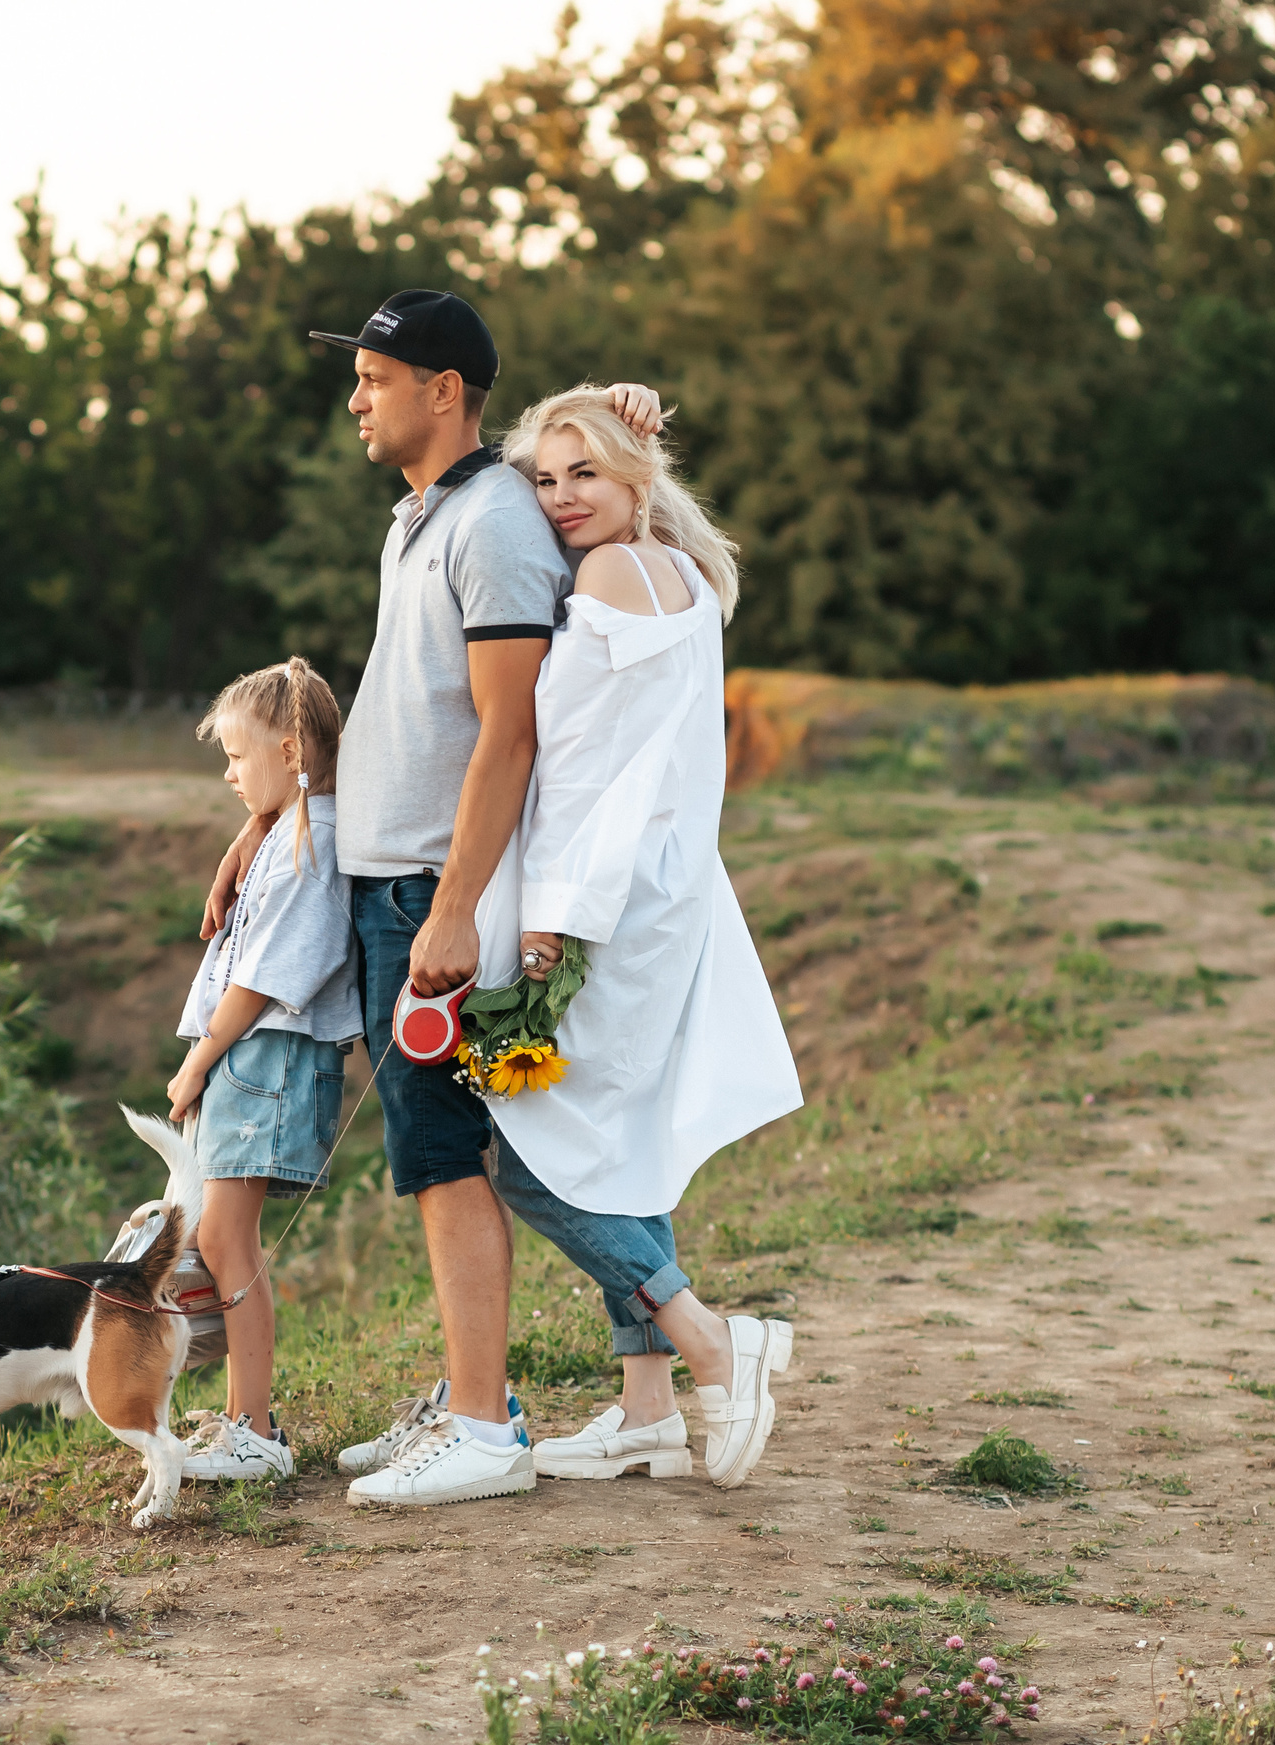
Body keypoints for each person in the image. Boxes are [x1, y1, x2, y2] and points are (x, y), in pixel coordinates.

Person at [200, 290, 661, 1507]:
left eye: (373, 376)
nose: (355, 397)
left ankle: (486, 1430)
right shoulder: (427, 515)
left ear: (441, 387)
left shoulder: (496, 522)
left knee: (449, 1156)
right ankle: (483, 1399)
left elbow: (506, 733)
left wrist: (454, 907)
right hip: (384, 878)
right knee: (428, 1152)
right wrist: (267, 825)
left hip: (429, 892)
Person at [467, 385, 805, 1488]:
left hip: (600, 897)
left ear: (636, 481)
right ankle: (647, 1406)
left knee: (527, 1157)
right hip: (662, 891)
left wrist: (549, 929)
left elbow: (583, 775)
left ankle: (713, 1341)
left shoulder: (610, 577)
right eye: (545, 479)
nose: (561, 499)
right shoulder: (684, 576)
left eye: (585, 476)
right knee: (615, 1139)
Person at [164, 658, 361, 1483]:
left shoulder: (309, 847)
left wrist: (197, 1063)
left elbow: (266, 978)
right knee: (218, 1231)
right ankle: (250, 1415)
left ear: (288, 751)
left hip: (265, 1055)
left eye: (239, 758)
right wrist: (248, 834)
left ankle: (255, 1427)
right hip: (254, 1056)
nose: (229, 773)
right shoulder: (287, 832)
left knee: (225, 1235)